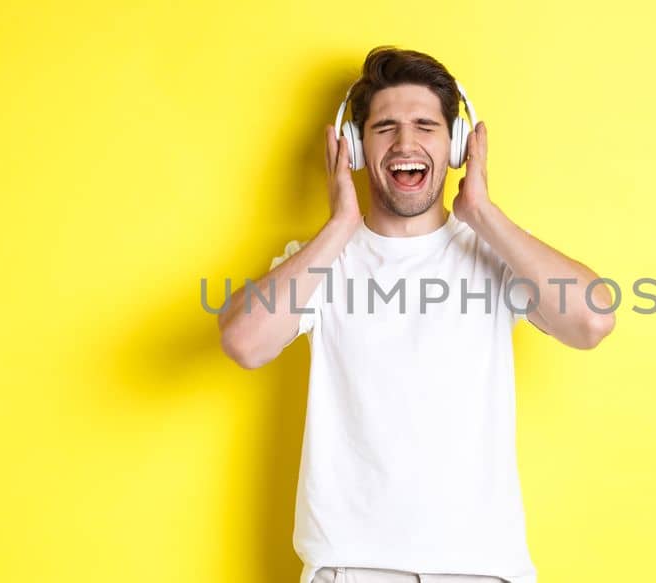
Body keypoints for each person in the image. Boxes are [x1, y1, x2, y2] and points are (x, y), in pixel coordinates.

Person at [216, 46, 615, 583]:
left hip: (481, 570)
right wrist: (339, 225)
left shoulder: (497, 255)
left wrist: (483, 213)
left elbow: (593, 321)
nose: (406, 143)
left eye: (426, 125)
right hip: (352, 568)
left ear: (454, 145)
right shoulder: (319, 262)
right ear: (355, 149)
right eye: (385, 128)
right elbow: (244, 342)